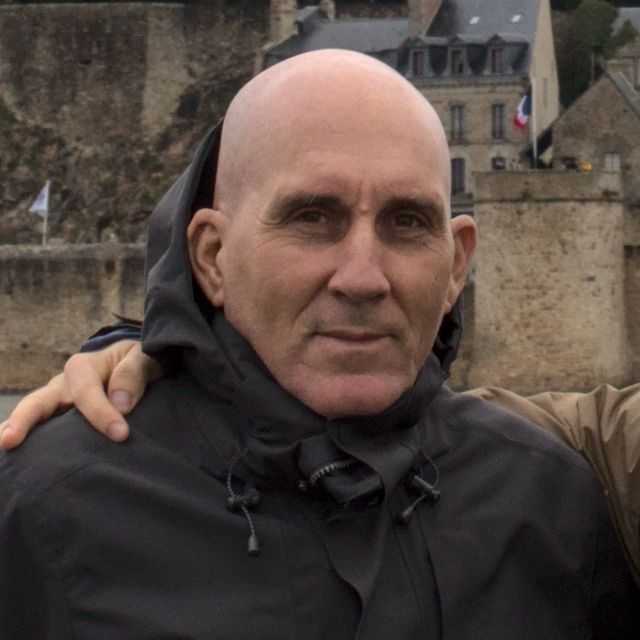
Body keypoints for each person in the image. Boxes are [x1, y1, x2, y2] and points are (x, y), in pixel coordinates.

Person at [1, 50, 637, 638]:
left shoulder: (550, 498)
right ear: (213, 257)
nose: (362, 278)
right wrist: (162, 342)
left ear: (455, 266)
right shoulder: (49, 509)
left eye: (407, 221)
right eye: (312, 218)